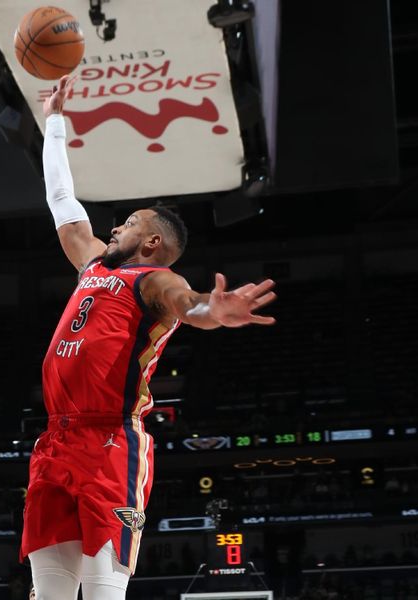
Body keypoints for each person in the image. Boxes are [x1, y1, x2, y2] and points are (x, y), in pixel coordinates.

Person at [21, 76, 278, 600]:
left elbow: (191, 307)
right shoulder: (92, 265)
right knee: (48, 594)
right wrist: (53, 122)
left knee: (101, 591)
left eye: (129, 223)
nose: (116, 227)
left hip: (111, 440)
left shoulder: (157, 281)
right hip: (54, 440)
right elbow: (60, 198)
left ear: (152, 241)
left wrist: (214, 309)